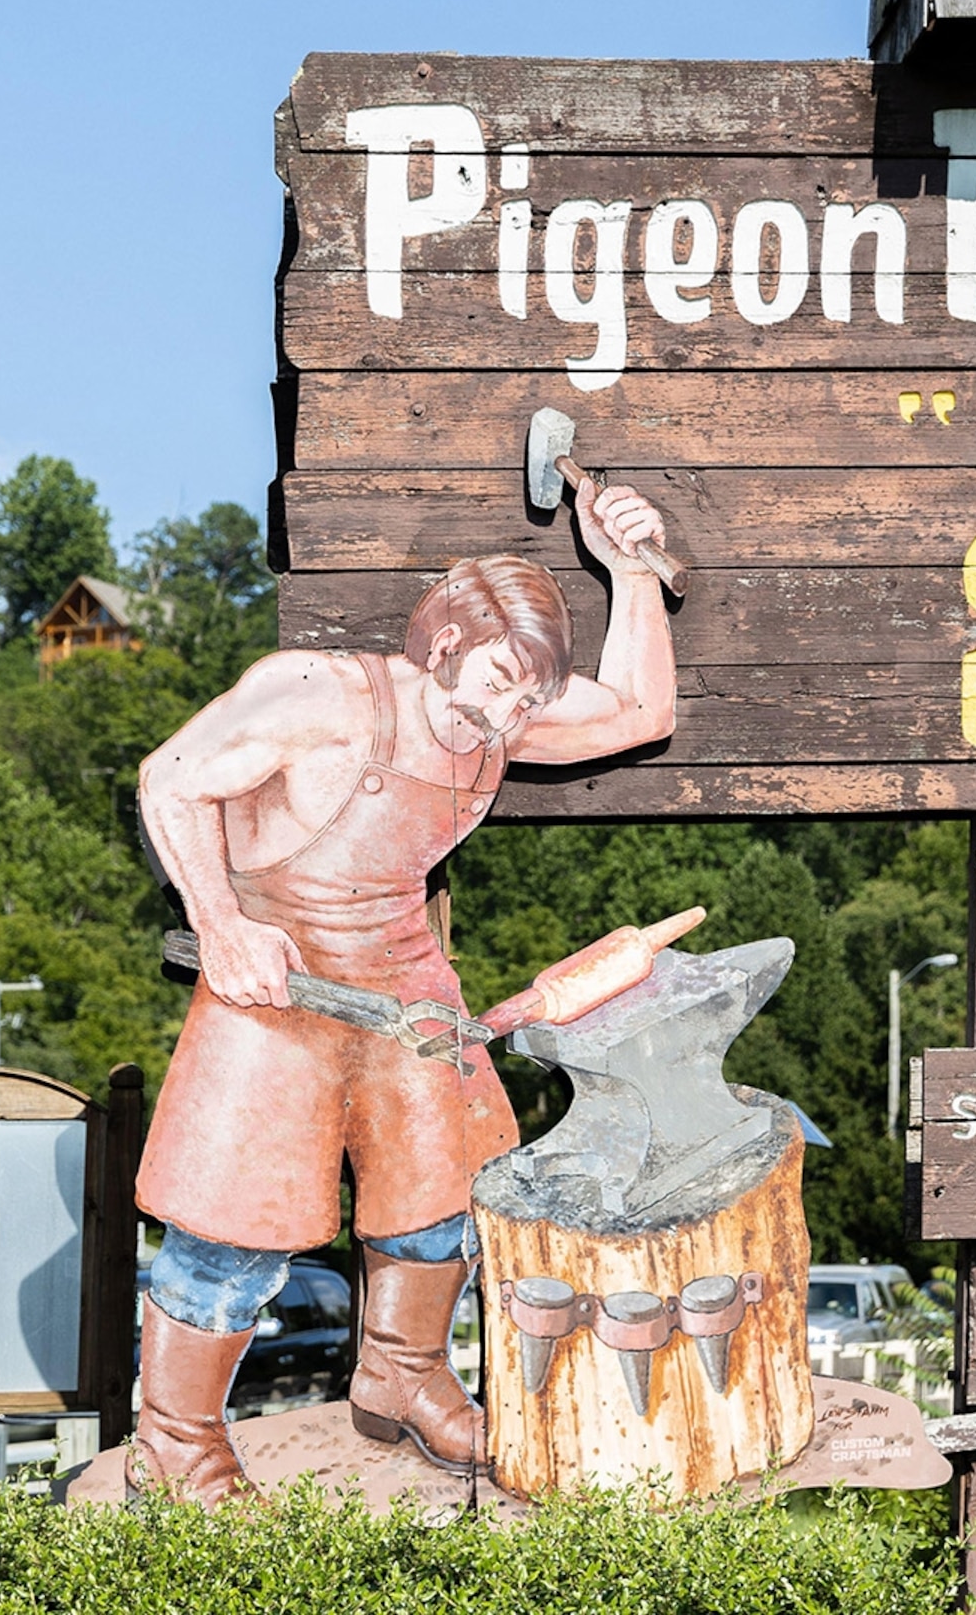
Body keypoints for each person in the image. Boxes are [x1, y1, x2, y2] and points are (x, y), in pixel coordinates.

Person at [126, 482, 676, 1502]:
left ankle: (403, 1372)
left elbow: (643, 710)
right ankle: (177, 1438)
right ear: (446, 639)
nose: (506, 714)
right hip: (276, 985)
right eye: (500, 679)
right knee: (231, 1220)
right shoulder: (322, 696)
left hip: (404, 986)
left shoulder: (495, 725)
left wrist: (632, 570)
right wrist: (221, 922)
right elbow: (173, 777)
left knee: (447, 1187)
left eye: (526, 697)